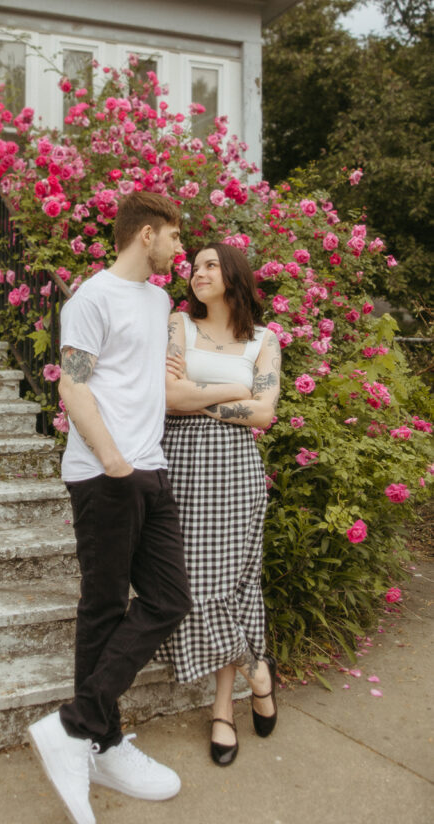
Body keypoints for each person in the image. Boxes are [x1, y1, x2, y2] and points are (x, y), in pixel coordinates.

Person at [28, 191, 193, 824]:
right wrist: (114, 460)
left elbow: (145, 378)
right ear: (146, 234)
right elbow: (74, 383)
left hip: (151, 467)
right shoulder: (91, 298)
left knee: (168, 597)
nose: (179, 250)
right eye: (174, 238)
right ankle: (101, 739)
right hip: (105, 472)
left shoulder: (157, 302)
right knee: (102, 605)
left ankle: (78, 725)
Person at [158, 242, 280, 767]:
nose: (196, 272)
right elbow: (167, 399)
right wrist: (234, 387)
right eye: (193, 265)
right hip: (180, 467)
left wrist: (199, 393)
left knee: (233, 582)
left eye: (209, 264)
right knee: (189, 583)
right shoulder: (178, 326)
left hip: (236, 475)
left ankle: (223, 710)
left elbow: (264, 415)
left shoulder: (264, 339)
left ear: (232, 275)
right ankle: (258, 670)